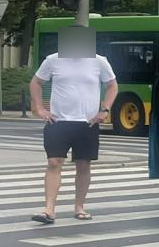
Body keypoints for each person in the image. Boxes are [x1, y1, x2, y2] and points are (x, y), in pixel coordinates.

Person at [28, 34, 118, 223]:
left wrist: (105, 110)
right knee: (54, 162)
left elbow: (112, 86)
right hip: (58, 121)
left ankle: (79, 207)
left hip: (87, 122)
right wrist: (39, 108)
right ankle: (49, 210)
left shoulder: (99, 62)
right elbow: (36, 82)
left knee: (83, 165)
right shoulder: (53, 60)